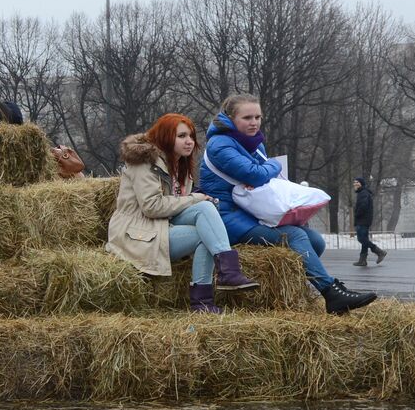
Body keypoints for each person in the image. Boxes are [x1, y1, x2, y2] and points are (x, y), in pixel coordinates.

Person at [199, 94, 376, 315]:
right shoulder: (220, 145)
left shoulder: (252, 143)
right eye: (247, 117)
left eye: (258, 117)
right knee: (294, 236)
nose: (254, 122)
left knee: (316, 241)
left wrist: (264, 172)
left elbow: (260, 176)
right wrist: (272, 166)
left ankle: (309, 289)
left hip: (250, 212)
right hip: (227, 217)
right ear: (230, 119)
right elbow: (255, 175)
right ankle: (331, 293)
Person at [106, 113, 259, 314]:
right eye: (182, 136)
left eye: (191, 136)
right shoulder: (143, 163)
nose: (189, 141)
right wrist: (196, 198)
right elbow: (151, 206)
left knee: (206, 210)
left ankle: (221, 282)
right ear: (166, 137)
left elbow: (177, 203)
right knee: (204, 225)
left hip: (163, 224)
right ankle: (213, 290)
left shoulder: (180, 164)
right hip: (137, 232)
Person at [352, 177, 387, 266]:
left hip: (363, 220)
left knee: (361, 239)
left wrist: (357, 214)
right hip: (365, 219)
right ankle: (363, 260)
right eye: (354, 182)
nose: (355, 184)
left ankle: (379, 251)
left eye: (357, 182)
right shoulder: (362, 193)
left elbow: (363, 206)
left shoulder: (363, 193)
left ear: (362, 184)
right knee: (365, 239)